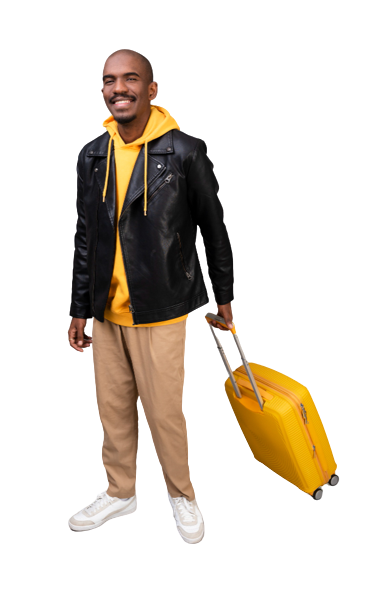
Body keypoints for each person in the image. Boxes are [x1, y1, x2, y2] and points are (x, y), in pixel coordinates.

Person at [67, 49, 234, 543]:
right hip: (106, 309)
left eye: (130, 78)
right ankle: (120, 492)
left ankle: (182, 495)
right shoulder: (92, 155)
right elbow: (84, 236)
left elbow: (214, 230)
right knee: (112, 409)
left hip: (161, 304)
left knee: (164, 412)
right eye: (109, 80)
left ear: (151, 89)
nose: (118, 88)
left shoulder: (185, 151)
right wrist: (79, 307)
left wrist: (223, 296)